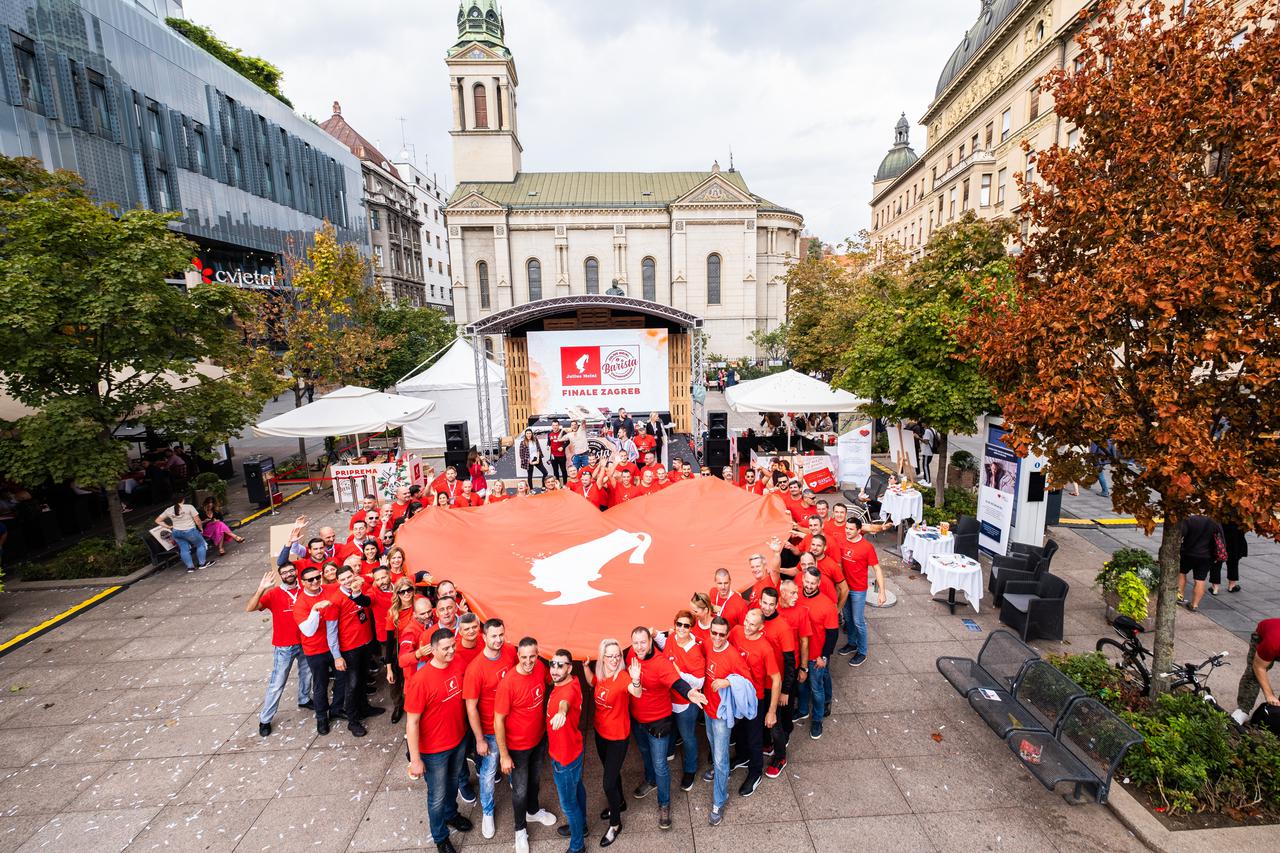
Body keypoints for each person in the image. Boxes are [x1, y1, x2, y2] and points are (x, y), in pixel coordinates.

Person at [625, 627, 705, 830]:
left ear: (651, 642)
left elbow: (677, 682)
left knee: (660, 764)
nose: (639, 647)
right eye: (635, 643)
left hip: (658, 722)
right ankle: (650, 781)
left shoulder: (660, 663)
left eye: (643, 642)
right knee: (645, 753)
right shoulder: (631, 655)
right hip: (638, 720)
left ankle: (664, 803)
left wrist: (689, 694)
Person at [405, 629, 474, 853]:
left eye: (453, 646)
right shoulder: (420, 681)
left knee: (453, 784)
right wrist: (415, 759)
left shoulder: (459, 663)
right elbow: (412, 722)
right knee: (437, 795)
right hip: (434, 751)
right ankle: (440, 837)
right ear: (433, 650)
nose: (451, 650)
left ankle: (451, 814)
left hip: (458, 740)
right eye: (445, 648)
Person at [494, 637, 558, 853]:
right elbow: (498, 720)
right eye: (524, 657)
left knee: (535, 781)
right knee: (519, 790)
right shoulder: (508, 683)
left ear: (538, 654)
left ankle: (533, 811)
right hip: (518, 748)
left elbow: (549, 681)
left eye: (532, 656)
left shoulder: (540, 667)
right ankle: (519, 830)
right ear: (517, 656)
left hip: (538, 739)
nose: (529, 661)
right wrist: (504, 755)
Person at [463, 619, 519, 840]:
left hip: (513, 724)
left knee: (516, 763)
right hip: (489, 729)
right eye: (493, 636)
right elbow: (471, 707)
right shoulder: (475, 669)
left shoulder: (509, 651)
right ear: (483, 637)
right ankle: (487, 811)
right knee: (487, 775)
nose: (498, 640)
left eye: (501, 635)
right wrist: (479, 739)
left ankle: (519, 793)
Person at [247, 565, 313, 737]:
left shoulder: (305, 589)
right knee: (277, 683)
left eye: (291, 571)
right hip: (285, 645)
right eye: (284, 573)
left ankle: (304, 699)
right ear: (280, 576)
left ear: (296, 572)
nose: (289, 574)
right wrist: (261, 589)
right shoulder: (273, 594)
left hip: (306, 641)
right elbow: (250, 608)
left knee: (306, 673)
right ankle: (265, 719)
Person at [701, 616, 751, 827]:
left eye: (722, 634)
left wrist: (728, 681)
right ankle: (718, 773)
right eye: (714, 633)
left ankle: (719, 801)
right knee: (713, 746)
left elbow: (747, 681)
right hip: (707, 708)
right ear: (710, 632)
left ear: (727, 634)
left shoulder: (733, 656)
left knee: (721, 759)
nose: (718, 638)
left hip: (721, 714)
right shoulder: (706, 644)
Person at [727, 609, 779, 797]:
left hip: (754, 698)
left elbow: (776, 679)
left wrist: (771, 711)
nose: (747, 627)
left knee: (754, 737)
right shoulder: (736, 631)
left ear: (761, 627)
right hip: (735, 692)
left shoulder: (765, 648)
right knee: (738, 729)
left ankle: (755, 772)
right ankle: (742, 756)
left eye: (752, 624)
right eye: (746, 621)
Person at [585, 638, 630, 847]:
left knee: (608, 782)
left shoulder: (623, 677)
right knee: (612, 772)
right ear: (602, 657)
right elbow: (592, 682)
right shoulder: (602, 676)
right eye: (610, 655)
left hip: (617, 737)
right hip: (600, 733)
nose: (614, 659)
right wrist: (586, 668)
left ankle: (615, 824)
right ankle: (619, 803)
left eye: (617, 655)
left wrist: (636, 682)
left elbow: (634, 691)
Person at [331, 566, 383, 736]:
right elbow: (331, 631)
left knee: (362, 679)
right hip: (349, 648)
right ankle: (353, 721)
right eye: (343, 579)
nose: (347, 581)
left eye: (349, 577)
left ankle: (364, 708)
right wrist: (337, 656)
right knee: (352, 685)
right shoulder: (336, 599)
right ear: (338, 581)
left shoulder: (361, 589)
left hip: (364, 643)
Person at [545, 648, 587, 853]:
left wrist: (562, 712)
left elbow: (565, 703)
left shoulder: (568, 690)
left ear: (570, 667)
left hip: (564, 757)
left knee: (568, 805)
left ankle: (578, 846)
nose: (555, 669)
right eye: (552, 664)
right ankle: (582, 826)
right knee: (578, 790)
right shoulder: (571, 681)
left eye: (561, 665)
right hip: (573, 750)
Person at [760, 587, 804, 777]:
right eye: (765, 603)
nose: (768, 608)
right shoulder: (757, 619)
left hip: (774, 685)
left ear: (777, 604)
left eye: (771, 604)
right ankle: (768, 745)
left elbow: (790, 661)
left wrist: (786, 691)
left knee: (775, 724)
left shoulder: (782, 627)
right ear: (759, 602)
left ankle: (780, 757)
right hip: (759, 682)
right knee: (763, 720)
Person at [661, 610, 706, 790]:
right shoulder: (672, 638)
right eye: (679, 624)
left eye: (686, 625)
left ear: (691, 627)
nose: (681, 628)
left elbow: (700, 682)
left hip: (686, 703)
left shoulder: (695, 652)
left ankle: (690, 770)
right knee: (671, 726)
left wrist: (680, 674)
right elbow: (666, 653)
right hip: (668, 697)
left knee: (688, 737)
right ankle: (670, 750)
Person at [293, 567, 340, 735]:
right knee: (321, 684)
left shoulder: (329, 589)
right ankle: (321, 717)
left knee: (342, 677)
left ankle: (337, 709)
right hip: (315, 650)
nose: (315, 581)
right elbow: (308, 630)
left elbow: (344, 588)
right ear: (303, 583)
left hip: (334, 646)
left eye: (317, 577)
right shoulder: (301, 603)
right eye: (310, 580)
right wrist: (315, 610)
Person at [794, 566, 839, 739]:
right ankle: (803, 710)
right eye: (807, 581)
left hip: (816, 657)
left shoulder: (827, 605)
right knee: (801, 685)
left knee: (817, 689)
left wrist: (825, 657)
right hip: (799, 654)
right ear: (802, 580)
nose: (810, 585)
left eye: (813, 583)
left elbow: (833, 634)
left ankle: (817, 719)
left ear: (819, 583)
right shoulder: (795, 597)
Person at [838, 518, 886, 665]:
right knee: (848, 618)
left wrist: (881, 592)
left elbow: (877, 569)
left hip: (858, 590)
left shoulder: (867, 547)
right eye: (846, 528)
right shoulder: (841, 541)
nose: (847, 531)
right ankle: (852, 643)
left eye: (851, 529)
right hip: (845, 588)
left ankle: (862, 651)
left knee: (858, 621)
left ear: (859, 531)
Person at [1231, 618, 1279, 725]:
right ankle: (1243, 710)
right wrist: (1269, 695)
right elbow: (1259, 667)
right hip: (1262, 636)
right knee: (1253, 675)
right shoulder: (1273, 642)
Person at [1178, 514, 1223, 612]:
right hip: (1206, 556)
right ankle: (1194, 605)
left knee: (1181, 573)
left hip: (1188, 553)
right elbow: (1221, 540)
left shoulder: (1190, 519)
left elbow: (1181, 534)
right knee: (1200, 580)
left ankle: (1179, 597)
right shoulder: (1215, 521)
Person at [155, 498, 210, 572]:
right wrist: (200, 528)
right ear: (183, 500)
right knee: (200, 544)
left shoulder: (168, 510)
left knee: (184, 549)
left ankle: (190, 568)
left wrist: (168, 527)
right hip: (190, 531)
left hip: (176, 532)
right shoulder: (189, 507)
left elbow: (157, 520)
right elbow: (197, 520)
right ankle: (202, 564)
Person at [1218, 521, 1246, 594]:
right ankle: (1232, 585)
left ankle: (1215, 586)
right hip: (1235, 535)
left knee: (1217, 560)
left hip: (1221, 533)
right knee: (1233, 560)